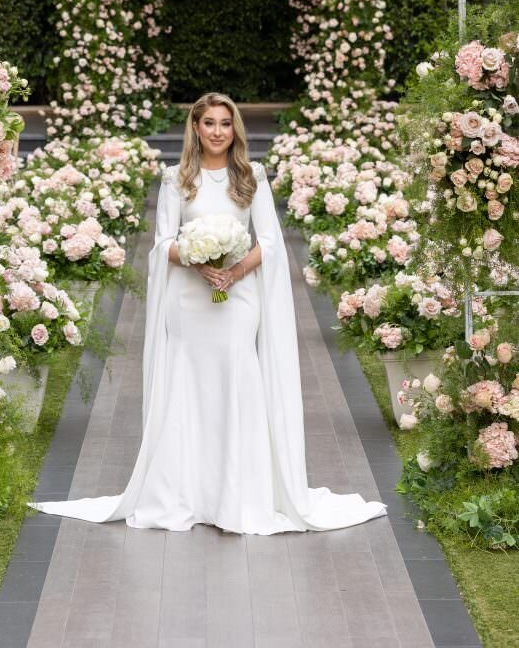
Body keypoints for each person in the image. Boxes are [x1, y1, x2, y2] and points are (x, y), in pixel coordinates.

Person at [30, 92, 388, 533]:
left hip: (239, 298)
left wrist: (233, 271)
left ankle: (237, 495)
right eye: (209, 124)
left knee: (237, 379)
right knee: (189, 385)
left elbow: (270, 241)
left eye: (224, 123)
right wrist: (201, 262)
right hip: (189, 298)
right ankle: (185, 493)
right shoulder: (176, 179)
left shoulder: (250, 176)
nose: (217, 131)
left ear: (233, 128)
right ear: (195, 129)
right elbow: (162, 243)